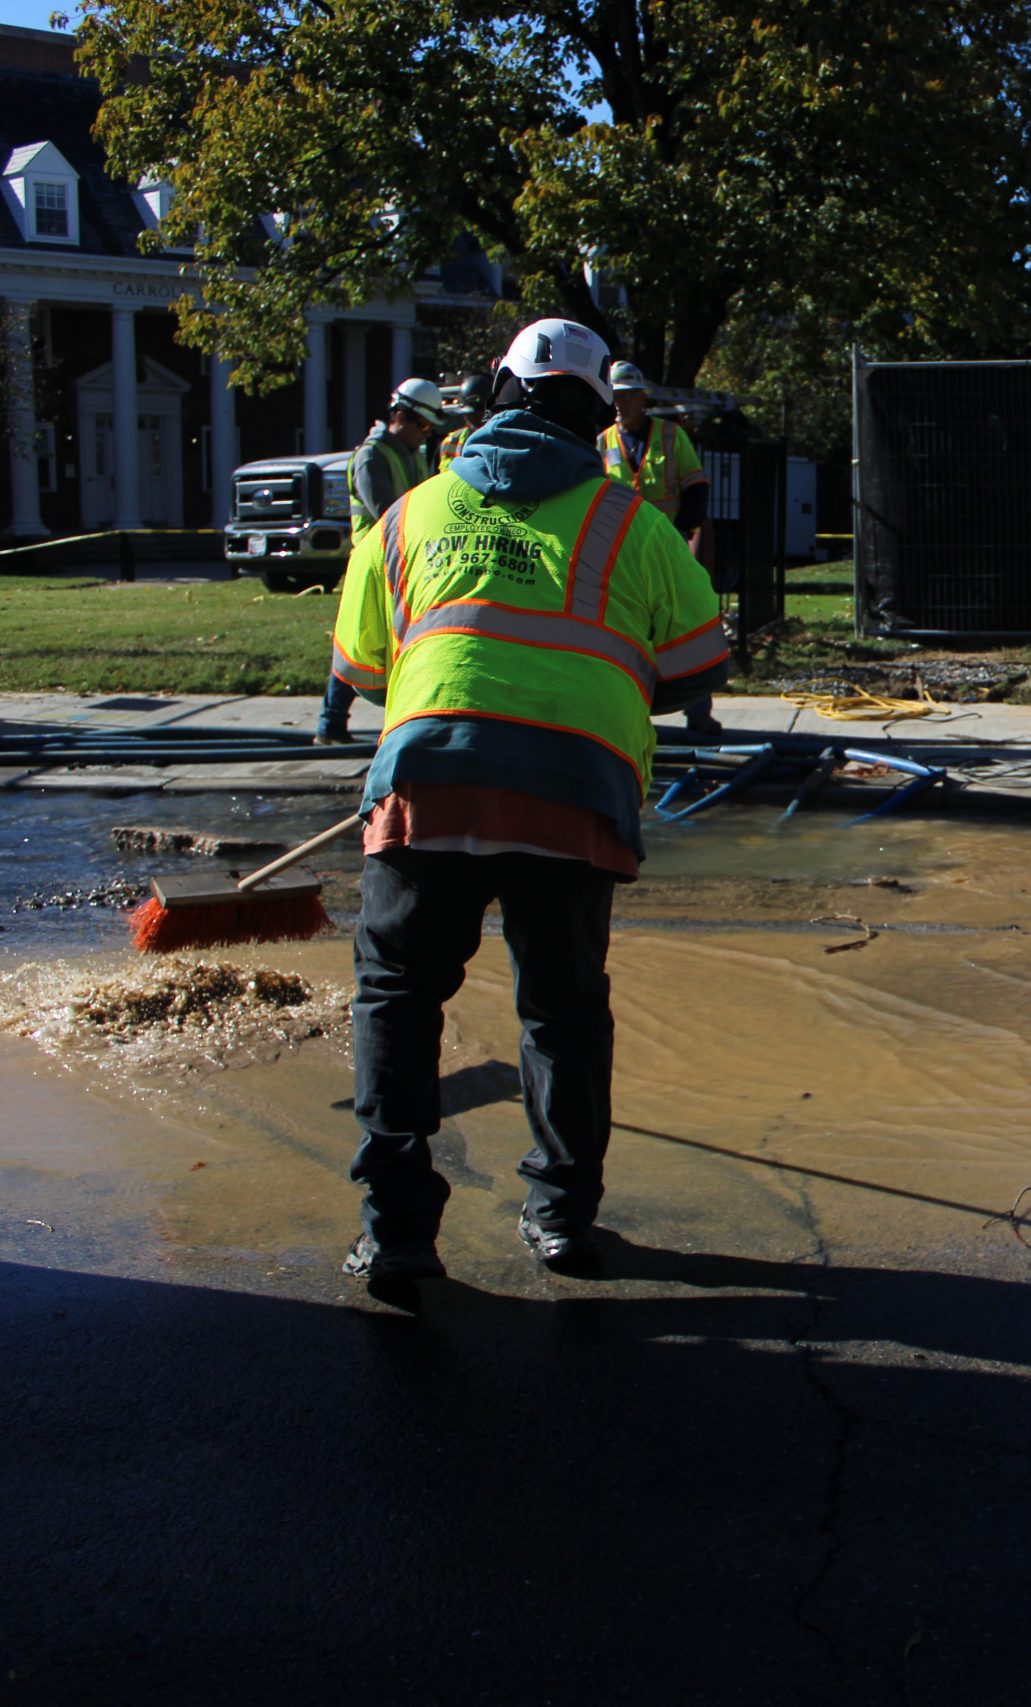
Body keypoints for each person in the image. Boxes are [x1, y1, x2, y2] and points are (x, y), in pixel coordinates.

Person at [327, 318, 728, 1280]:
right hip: (575, 790)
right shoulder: (634, 526)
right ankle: (561, 1219)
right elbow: (695, 665)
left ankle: (397, 1230)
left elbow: (363, 667)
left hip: (432, 780)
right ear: (594, 414)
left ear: (496, 392)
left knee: (398, 990)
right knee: (562, 1012)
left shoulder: (410, 513)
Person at [316, 378, 447, 744]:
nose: (425, 434)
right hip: (373, 564)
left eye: (430, 428)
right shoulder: (372, 455)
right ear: (400, 416)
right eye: (421, 426)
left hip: (407, 561)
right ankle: (330, 724)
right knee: (357, 643)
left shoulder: (413, 454)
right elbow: (387, 513)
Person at [599, 361, 721, 741]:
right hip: (622, 554)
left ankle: (698, 712)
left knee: (683, 628)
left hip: (667, 548)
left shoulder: (670, 436)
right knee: (629, 635)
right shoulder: (602, 442)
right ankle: (631, 715)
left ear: (641, 397)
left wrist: (684, 532)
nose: (619, 404)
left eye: (625, 396)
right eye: (613, 397)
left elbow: (696, 487)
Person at [435, 371, 493, 467]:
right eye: (469, 414)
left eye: (480, 413)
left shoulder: (504, 443)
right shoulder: (450, 443)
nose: (474, 419)